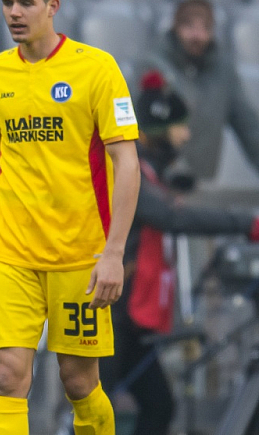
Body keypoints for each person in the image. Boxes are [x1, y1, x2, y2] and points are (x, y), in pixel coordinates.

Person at [0, 0, 141, 435]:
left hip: (79, 253)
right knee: (6, 376)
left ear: (52, 6)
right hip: (9, 251)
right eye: (6, 2)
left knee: (78, 382)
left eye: (26, 3)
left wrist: (115, 253)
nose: (14, 12)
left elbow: (127, 162)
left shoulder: (96, 69)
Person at [99, 70, 259, 434]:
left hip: (131, 321)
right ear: (156, 129)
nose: (185, 135)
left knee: (158, 408)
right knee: (97, 410)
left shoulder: (150, 171)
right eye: (179, 126)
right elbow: (171, 217)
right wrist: (244, 223)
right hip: (112, 312)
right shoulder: (128, 171)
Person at [143, 0, 259, 181]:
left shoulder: (223, 72)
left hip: (199, 183)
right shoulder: (150, 66)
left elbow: (249, 127)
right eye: (189, 26)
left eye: (205, 28)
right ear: (176, 27)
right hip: (154, 182)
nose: (197, 36)